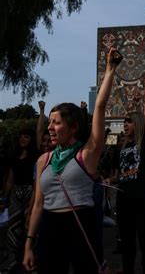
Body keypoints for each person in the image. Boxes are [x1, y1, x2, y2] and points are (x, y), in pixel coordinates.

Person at [22, 47, 120, 273]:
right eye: (50, 122)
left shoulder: (86, 154)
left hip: (80, 225)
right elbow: (38, 205)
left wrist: (110, 69)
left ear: (73, 127)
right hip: (49, 228)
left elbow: (100, 106)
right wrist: (29, 243)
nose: (50, 128)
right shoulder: (43, 160)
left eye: (56, 123)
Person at [114, 79, 145, 274]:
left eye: (128, 121)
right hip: (124, 201)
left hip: (142, 200)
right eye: (124, 121)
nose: (124, 125)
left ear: (136, 124)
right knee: (127, 244)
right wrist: (109, 181)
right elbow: (121, 174)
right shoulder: (123, 148)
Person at [3, 128, 39, 273]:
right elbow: (10, 180)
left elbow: (36, 181)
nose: (22, 139)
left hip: (29, 192)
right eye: (21, 137)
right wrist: (4, 198)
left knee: (29, 227)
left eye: (26, 137)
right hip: (15, 194)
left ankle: (30, 262)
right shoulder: (14, 156)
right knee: (12, 228)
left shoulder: (35, 156)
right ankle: (13, 262)